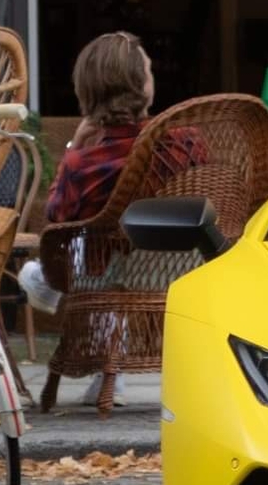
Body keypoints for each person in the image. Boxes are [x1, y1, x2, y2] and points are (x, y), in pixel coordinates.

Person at [19, 32, 202, 316]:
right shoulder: (186, 143)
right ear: (141, 86)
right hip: (181, 277)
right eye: (149, 71)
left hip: (107, 286)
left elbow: (56, 221)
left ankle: (42, 281)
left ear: (86, 92)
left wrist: (75, 147)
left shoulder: (83, 166)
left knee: (73, 240)